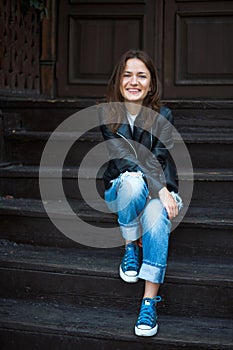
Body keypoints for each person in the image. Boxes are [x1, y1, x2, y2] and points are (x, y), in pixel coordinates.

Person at [99, 49, 182, 337]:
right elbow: (124, 160)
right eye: (127, 75)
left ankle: (148, 302)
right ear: (119, 81)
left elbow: (159, 157)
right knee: (133, 180)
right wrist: (157, 189)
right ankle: (130, 244)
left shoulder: (164, 115)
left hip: (159, 186)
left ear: (151, 84)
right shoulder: (106, 114)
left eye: (141, 76)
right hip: (121, 189)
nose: (134, 81)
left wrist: (161, 193)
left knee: (158, 215)